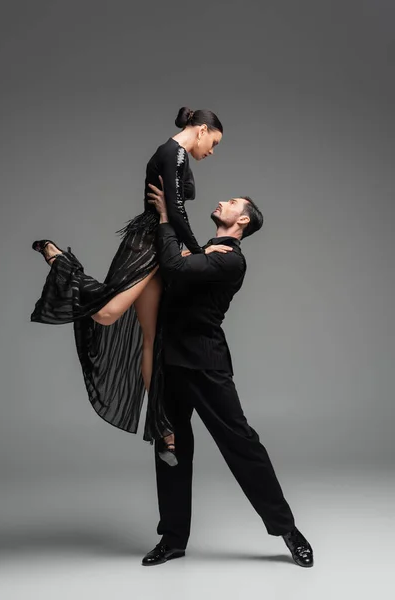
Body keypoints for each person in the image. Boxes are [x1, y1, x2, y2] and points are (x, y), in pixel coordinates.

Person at [30, 107, 228, 462]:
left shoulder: (177, 154)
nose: (212, 152)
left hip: (164, 244)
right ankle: (59, 259)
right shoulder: (171, 152)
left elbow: (186, 195)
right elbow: (178, 209)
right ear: (201, 129)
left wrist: (182, 173)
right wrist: (198, 251)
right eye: (213, 142)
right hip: (148, 242)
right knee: (107, 313)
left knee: (152, 337)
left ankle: (164, 431)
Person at [141, 181, 314, 568]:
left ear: (243, 219)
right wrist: (187, 245)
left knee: (242, 446)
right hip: (171, 363)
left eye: (232, 202)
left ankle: (288, 530)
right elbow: (175, 269)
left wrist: (168, 219)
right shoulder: (207, 251)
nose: (222, 200)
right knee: (169, 449)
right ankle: (172, 539)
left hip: (206, 365)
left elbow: (173, 266)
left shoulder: (230, 259)